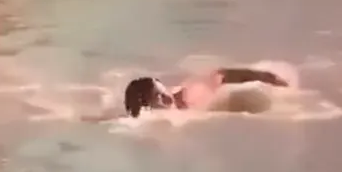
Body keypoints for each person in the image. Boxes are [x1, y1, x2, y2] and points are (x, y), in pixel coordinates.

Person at [123, 67, 290, 118]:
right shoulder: (151, 117)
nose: (163, 98)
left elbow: (221, 75)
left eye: (161, 93)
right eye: (156, 97)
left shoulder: (192, 94)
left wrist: (268, 78)